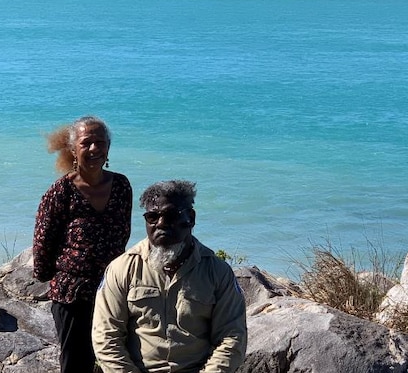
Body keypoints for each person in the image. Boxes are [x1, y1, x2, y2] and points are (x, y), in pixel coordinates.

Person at [92, 180, 247, 373]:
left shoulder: (217, 272)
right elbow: (106, 337)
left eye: (171, 215)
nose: (161, 224)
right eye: (152, 217)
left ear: (190, 218)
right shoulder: (122, 269)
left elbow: (232, 336)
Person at [32, 116, 133, 373]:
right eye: (87, 143)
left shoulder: (121, 186)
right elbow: (42, 248)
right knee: (76, 363)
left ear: (108, 148)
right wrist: (56, 278)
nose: (94, 149)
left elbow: (123, 235)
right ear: (73, 149)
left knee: (117, 359)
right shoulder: (60, 192)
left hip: (113, 290)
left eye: (100, 142)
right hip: (72, 295)